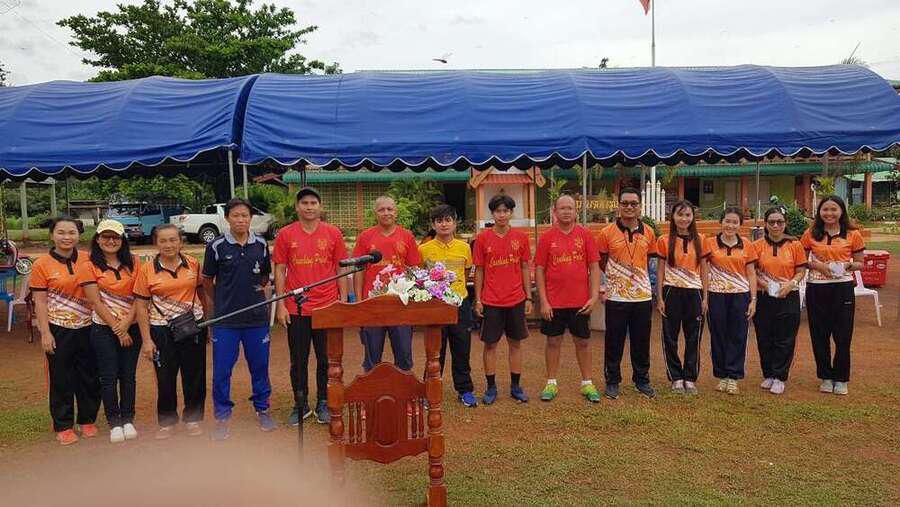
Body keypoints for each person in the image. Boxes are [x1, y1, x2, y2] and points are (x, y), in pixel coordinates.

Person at [202, 198, 276, 441]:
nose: (241, 220)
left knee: (260, 367)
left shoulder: (261, 244)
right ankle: (222, 417)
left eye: (245, 215)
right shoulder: (216, 246)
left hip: (256, 319)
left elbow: (264, 277)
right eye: (236, 215)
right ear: (227, 218)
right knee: (222, 371)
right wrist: (222, 301)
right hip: (226, 320)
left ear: (250, 218)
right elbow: (207, 281)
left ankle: (263, 409)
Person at [274, 187, 348, 426]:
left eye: (313, 203)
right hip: (297, 307)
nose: (309, 207)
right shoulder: (285, 234)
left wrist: (343, 301)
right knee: (299, 359)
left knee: (326, 359)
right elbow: (280, 269)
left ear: (320, 207)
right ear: (297, 207)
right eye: (304, 203)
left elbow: (341, 267)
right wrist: (281, 305)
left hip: (327, 306)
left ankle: (324, 401)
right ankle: (301, 403)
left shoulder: (333, 233)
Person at [31, 217, 99, 445]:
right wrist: (45, 333)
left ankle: (87, 420)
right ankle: (63, 425)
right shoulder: (41, 264)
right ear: (52, 235)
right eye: (61, 232)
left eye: (71, 232)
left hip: (89, 327)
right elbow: (40, 302)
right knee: (62, 378)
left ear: (79, 235)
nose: (66, 237)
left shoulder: (89, 259)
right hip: (59, 328)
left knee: (90, 375)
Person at [135, 224, 207, 439]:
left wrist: (207, 323)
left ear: (180, 242)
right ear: (156, 243)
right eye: (163, 240)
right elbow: (141, 306)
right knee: (165, 376)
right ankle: (167, 421)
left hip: (192, 327)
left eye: (173, 240)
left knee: (194, 375)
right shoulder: (147, 270)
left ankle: (193, 419)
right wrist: (146, 340)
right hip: (161, 329)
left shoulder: (193, 264)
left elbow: (201, 292)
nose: (168, 245)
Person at [76, 219, 142, 443]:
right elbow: (95, 301)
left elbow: (140, 297)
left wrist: (126, 325)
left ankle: (128, 419)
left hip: (132, 327)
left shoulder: (134, 262)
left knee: (128, 376)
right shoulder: (89, 266)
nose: (110, 241)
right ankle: (114, 422)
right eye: (105, 237)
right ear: (97, 239)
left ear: (122, 240)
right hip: (104, 329)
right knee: (108, 376)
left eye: (115, 237)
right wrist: (118, 330)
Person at [535, 195, 601, 403]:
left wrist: (594, 296)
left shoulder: (585, 235)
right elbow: (539, 270)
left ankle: (587, 382)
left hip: (580, 302)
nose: (566, 211)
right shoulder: (547, 238)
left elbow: (594, 267)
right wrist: (543, 301)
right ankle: (551, 382)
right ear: (555, 211)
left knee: (583, 342)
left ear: (575, 211)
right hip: (554, 302)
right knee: (553, 341)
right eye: (562, 208)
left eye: (570, 208)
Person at [597, 188, 658, 400]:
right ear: (619, 206)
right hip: (616, 297)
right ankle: (612, 381)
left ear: (640, 206)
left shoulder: (649, 232)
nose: (629, 207)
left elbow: (650, 262)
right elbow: (601, 262)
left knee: (641, 341)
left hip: (642, 297)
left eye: (633, 203)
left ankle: (642, 380)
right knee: (614, 341)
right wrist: (608, 285)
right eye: (625, 203)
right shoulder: (606, 233)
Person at [800, 195, 865, 396]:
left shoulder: (853, 234)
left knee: (843, 335)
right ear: (819, 212)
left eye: (834, 209)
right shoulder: (810, 233)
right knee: (819, 334)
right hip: (817, 288)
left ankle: (841, 378)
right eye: (825, 209)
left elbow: (860, 263)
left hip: (842, 288)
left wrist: (846, 266)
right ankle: (826, 376)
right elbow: (801, 260)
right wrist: (817, 265)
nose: (829, 213)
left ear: (841, 211)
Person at [473, 194, 532, 404]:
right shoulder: (482, 239)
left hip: (516, 299)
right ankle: (491, 388)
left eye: (505, 211)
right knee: (490, 345)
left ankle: (516, 386)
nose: (502, 215)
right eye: (498, 211)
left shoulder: (521, 238)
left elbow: (524, 267)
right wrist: (478, 299)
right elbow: (479, 270)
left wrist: (528, 297)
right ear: (492, 213)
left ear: (511, 213)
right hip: (491, 301)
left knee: (515, 343)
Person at [353, 196, 422, 372]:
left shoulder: (407, 236)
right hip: (372, 304)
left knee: (404, 355)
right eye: (381, 210)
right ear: (375, 213)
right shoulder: (365, 237)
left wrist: (413, 299)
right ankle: (372, 388)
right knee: (372, 358)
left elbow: (414, 269)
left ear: (396, 212)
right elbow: (359, 271)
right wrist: (359, 302)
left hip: (400, 304)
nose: (386, 213)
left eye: (390, 209)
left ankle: (405, 388)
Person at [419, 204, 477, 407]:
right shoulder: (423, 249)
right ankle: (430, 390)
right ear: (433, 224)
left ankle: (465, 390)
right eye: (439, 221)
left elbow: (466, 273)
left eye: (447, 220)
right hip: (435, 306)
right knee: (435, 350)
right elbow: (420, 276)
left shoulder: (464, 248)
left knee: (462, 348)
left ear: (455, 222)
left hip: (459, 304)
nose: (444, 224)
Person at [751, 207, 807, 395]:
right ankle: (768, 373)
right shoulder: (757, 245)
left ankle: (780, 376)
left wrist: (791, 284)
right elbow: (751, 271)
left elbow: (801, 271)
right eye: (771, 222)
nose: (776, 225)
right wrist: (765, 285)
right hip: (764, 295)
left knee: (785, 338)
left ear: (785, 223)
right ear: (765, 224)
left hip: (788, 295)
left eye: (780, 222)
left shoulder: (795, 244)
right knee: (764, 336)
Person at [656, 200, 708, 395]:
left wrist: (705, 298)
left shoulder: (701, 239)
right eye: (680, 214)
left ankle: (690, 377)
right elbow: (660, 271)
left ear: (693, 217)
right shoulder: (664, 240)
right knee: (670, 336)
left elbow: (705, 271)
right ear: (673, 217)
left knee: (693, 337)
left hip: (694, 293)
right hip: (671, 292)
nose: (684, 219)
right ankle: (676, 377)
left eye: (687, 215)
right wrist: (659, 298)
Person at [704, 207, 758, 395]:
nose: (730, 225)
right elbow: (704, 271)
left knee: (738, 335)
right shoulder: (710, 243)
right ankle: (722, 375)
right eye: (727, 221)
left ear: (740, 225)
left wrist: (753, 299)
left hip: (740, 295)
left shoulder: (747, 245)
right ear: (721, 222)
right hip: (716, 295)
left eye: (735, 222)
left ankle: (733, 376)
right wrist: (705, 297)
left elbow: (751, 273)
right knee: (718, 335)